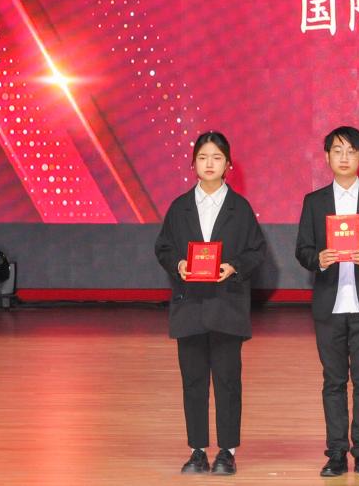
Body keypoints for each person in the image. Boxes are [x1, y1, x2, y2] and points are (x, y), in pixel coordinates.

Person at [154, 131, 267, 476]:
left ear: (228, 164)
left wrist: (234, 267)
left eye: (216, 158)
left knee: (227, 381)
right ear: (193, 164)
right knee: (193, 381)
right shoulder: (180, 207)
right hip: (189, 305)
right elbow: (164, 247)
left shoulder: (240, 208)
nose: (209, 164)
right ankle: (197, 450)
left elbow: (256, 251)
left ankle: (227, 451)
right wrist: (178, 264)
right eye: (202, 157)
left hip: (226, 305)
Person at [295, 126, 359, 478]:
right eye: (337, 151)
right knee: (334, 382)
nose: (344, 157)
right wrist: (318, 259)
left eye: (351, 151)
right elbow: (302, 249)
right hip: (329, 303)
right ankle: (336, 453)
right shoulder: (314, 201)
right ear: (327, 157)